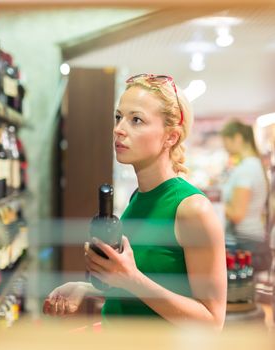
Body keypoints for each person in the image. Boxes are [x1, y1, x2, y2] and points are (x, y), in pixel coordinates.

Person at [43, 74, 227, 329]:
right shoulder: (138, 198)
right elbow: (145, 291)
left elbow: (212, 323)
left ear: (170, 137)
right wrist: (85, 288)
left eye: (136, 120)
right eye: (119, 117)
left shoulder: (192, 209)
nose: (119, 129)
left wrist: (130, 278)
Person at [221, 120, 270, 271]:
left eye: (226, 141)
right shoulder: (252, 165)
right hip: (251, 239)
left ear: (238, 138)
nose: (225, 146)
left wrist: (213, 205)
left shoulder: (246, 170)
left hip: (245, 242)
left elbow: (237, 214)